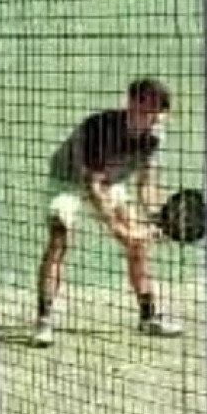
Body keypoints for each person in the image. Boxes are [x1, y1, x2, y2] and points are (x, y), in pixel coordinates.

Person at [34, 77, 182, 346]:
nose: (155, 116)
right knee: (58, 239)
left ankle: (148, 317)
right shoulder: (99, 128)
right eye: (149, 108)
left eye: (159, 111)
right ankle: (44, 321)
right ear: (132, 103)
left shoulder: (154, 135)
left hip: (110, 182)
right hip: (67, 181)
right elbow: (92, 187)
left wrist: (156, 217)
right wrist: (119, 229)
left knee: (138, 246)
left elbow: (145, 184)